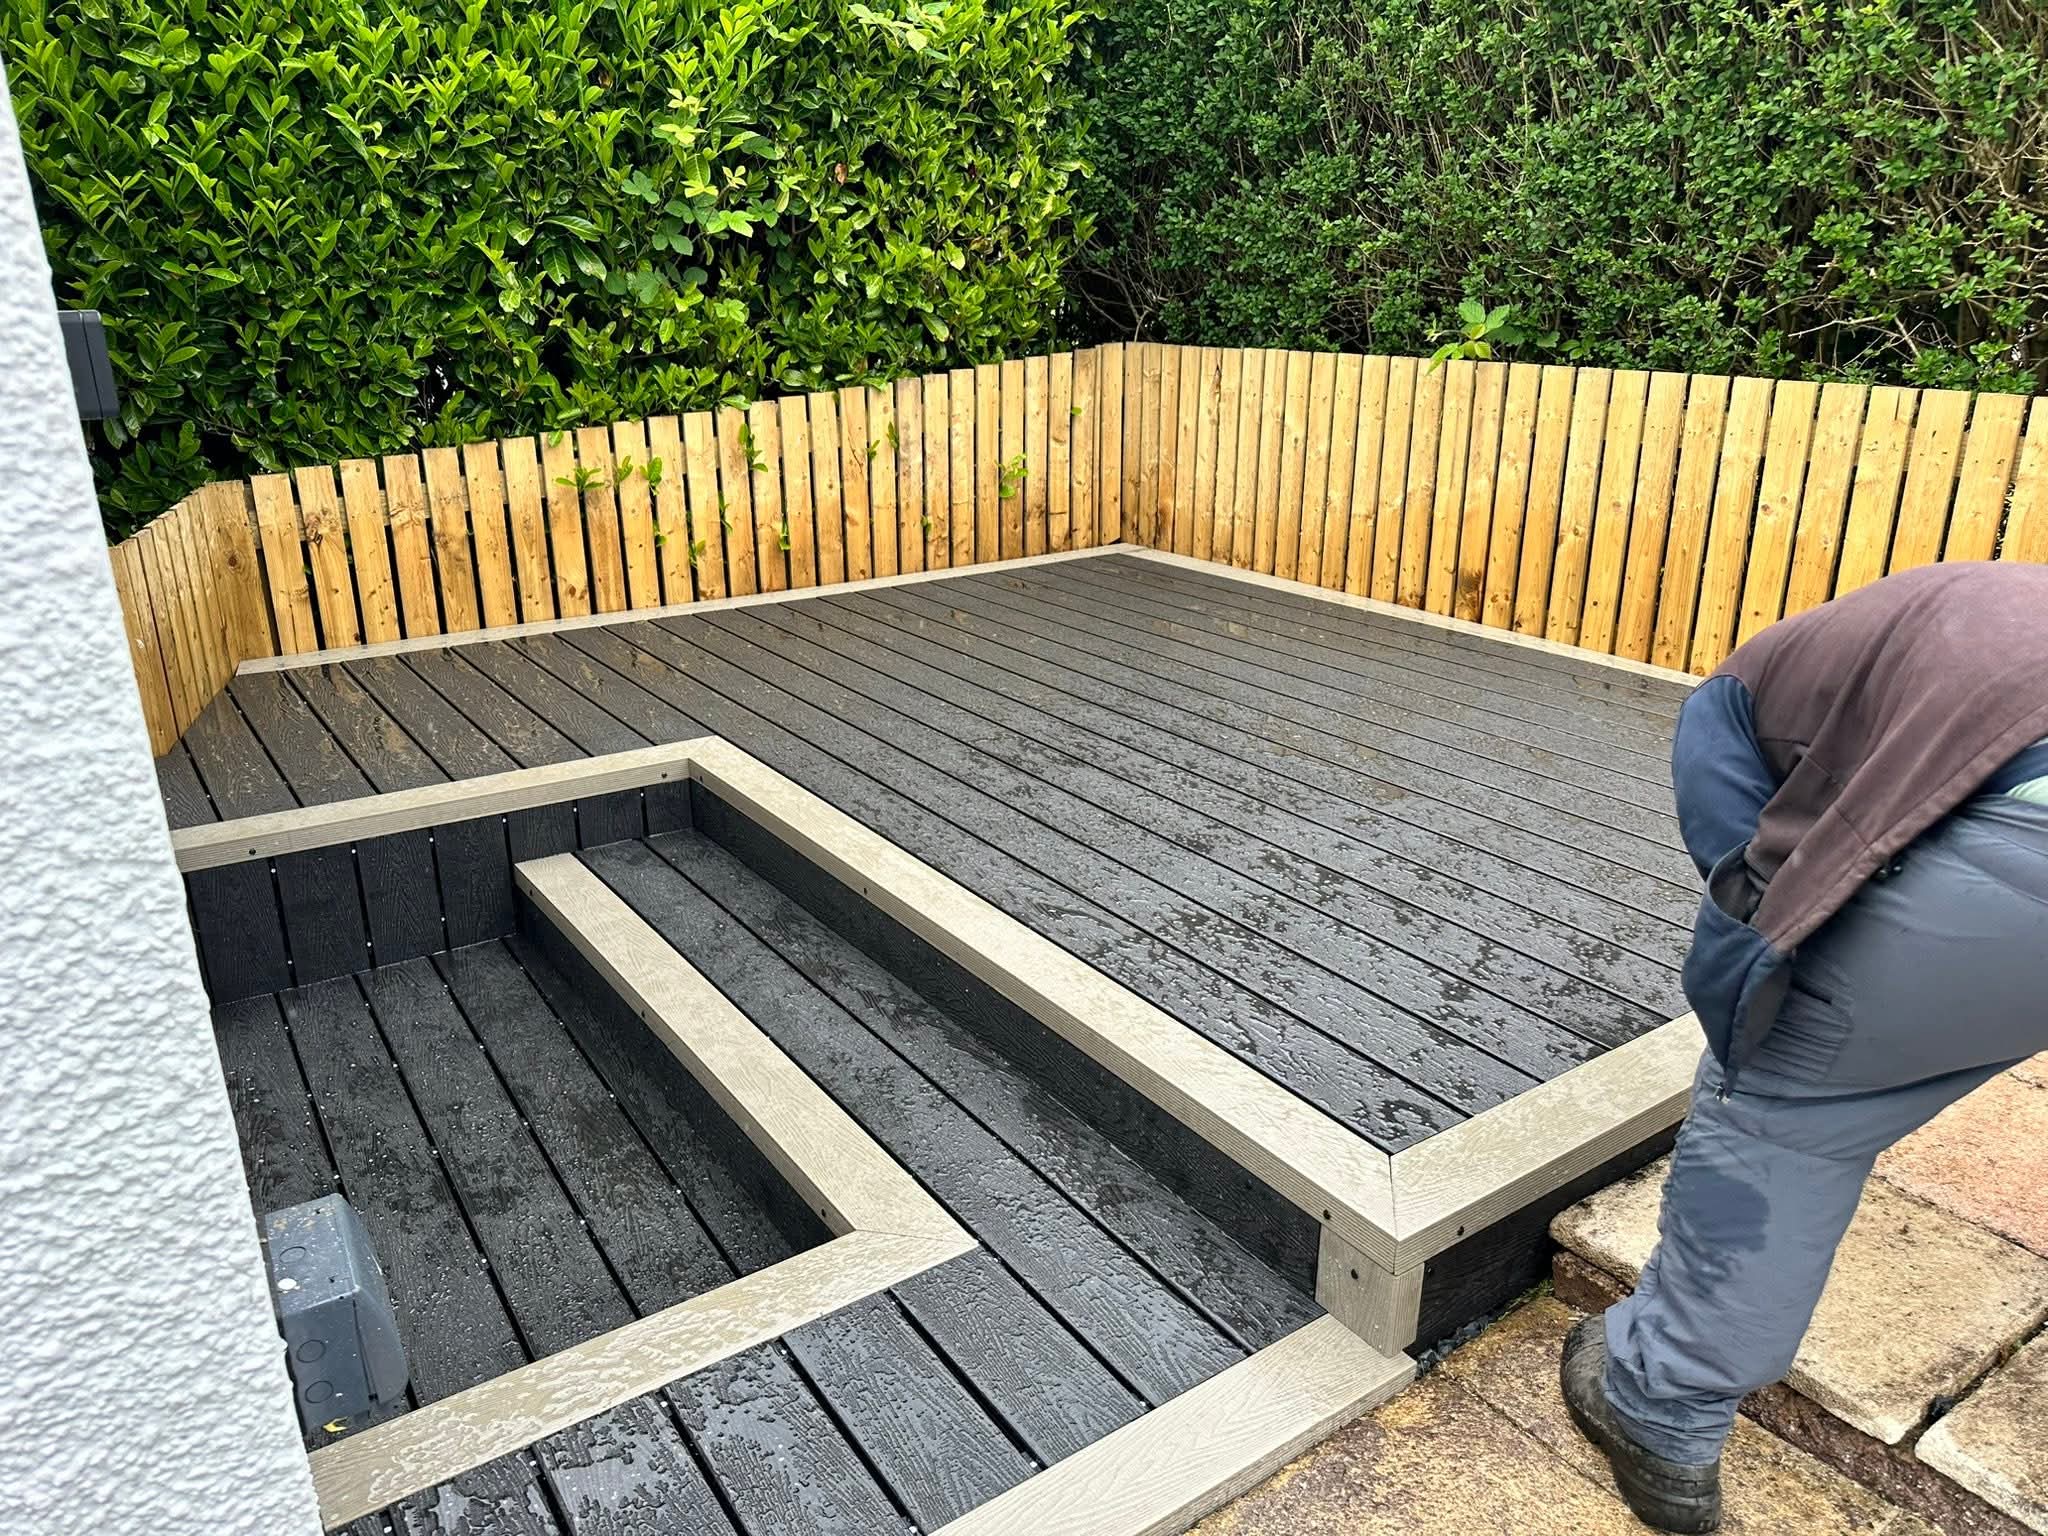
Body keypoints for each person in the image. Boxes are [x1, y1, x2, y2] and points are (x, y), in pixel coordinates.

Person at [1559, 560, 2048, 1534]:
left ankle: (1655, 1405)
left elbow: (1746, 886)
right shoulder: (1912, 632)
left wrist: (1753, 1026)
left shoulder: (1723, 704)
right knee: (1905, 1055)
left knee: (1784, 1115)